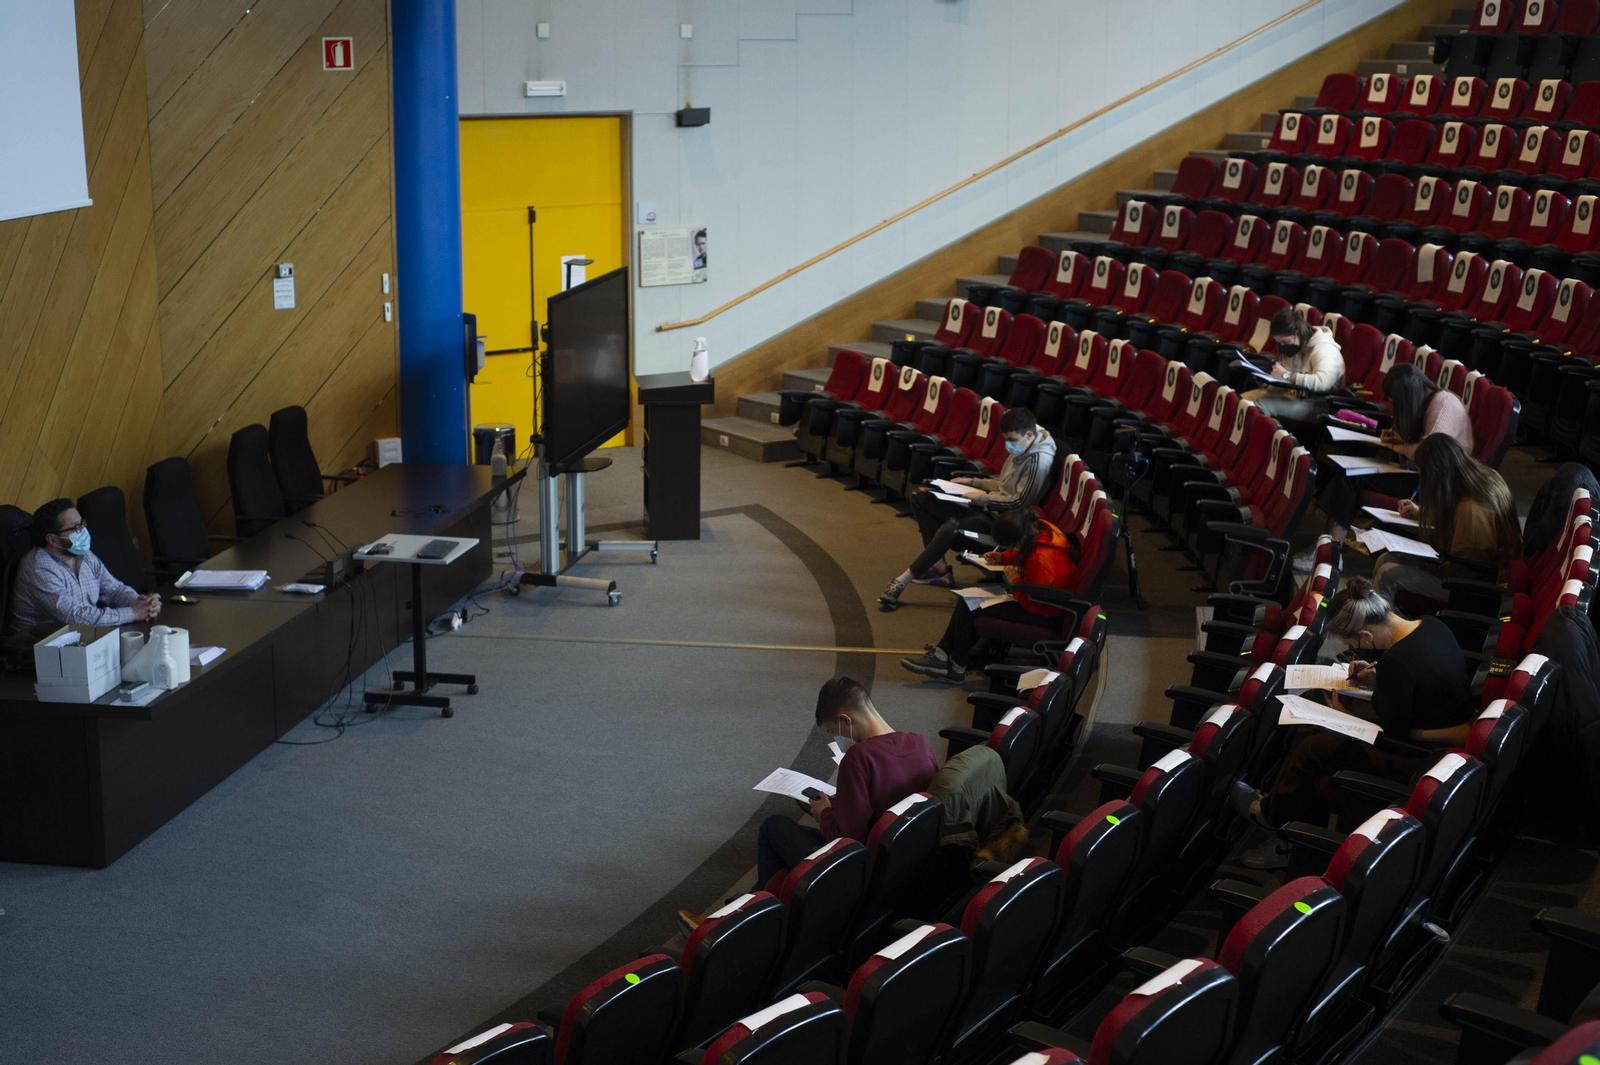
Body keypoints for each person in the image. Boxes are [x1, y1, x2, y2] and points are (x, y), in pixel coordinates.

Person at [1231, 578, 1476, 868]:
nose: (1357, 652)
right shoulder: (1430, 625)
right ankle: (1287, 823)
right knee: (1319, 741)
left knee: (1313, 748)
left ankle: (1272, 818)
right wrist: (1378, 676)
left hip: (1423, 759)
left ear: (1365, 636)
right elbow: (1420, 682)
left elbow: (1392, 735)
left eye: (1353, 645)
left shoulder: (1396, 663)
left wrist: (1347, 719)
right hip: (1445, 723)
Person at [673, 678, 935, 934]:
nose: (837, 738)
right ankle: (749, 908)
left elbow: (847, 839)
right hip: (901, 865)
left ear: (846, 720)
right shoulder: (921, 744)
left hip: (858, 872)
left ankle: (751, 924)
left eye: (834, 732)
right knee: (788, 847)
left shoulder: (859, 758)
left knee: (774, 827)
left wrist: (825, 813)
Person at [878, 407, 1057, 611]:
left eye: (1012, 440)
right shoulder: (1023, 448)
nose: (1008, 445)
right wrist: (974, 482)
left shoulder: (1038, 461)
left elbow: (1018, 502)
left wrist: (981, 498)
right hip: (988, 509)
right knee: (922, 496)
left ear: (1029, 435)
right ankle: (938, 570)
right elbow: (1003, 486)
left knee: (951, 527)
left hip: (1003, 524)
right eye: (1005, 439)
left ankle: (902, 580)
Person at [900, 509, 1077, 683]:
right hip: (1044, 604)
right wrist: (1003, 557)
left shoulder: (1040, 559)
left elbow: (1031, 604)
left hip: (1045, 615)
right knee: (968, 600)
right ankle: (942, 656)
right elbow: (1027, 556)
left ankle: (956, 668)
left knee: (972, 607)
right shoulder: (1042, 535)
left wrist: (1013, 579)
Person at [1313, 363, 1474, 544]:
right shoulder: (1427, 401)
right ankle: (1327, 548)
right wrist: (1398, 438)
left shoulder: (1444, 405)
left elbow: (1429, 454)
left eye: (1395, 401)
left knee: (1350, 478)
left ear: (1406, 398)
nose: (1394, 407)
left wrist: (1399, 447)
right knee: (1347, 472)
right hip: (1422, 475)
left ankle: (1330, 554)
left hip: (1439, 486)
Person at [1372, 434, 1520, 611]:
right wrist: (1421, 513)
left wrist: (1417, 562)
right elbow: (1456, 520)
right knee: (1385, 558)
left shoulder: (1472, 509)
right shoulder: (1480, 478)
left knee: (1387, 575)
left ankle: (1382, 632)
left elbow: (1463, 571)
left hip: (1480, 588)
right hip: (1479, 571)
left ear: (1436, 476)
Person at [7, 499, 159, 635]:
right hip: (38, 649)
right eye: (75, 527)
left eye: (82, 523)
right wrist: (133, 613)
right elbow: (75, 616)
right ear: (53, 539)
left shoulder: (84, 555)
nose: (83, 531)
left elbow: (114, 590)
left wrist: (143, 603)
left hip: (79, 637)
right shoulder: (39, 568)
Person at [1241, 306, 1345, 429]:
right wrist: (1267, 384)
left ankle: (1262, 444)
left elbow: (1322, 382)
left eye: (1284, 342)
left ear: (1298, 332)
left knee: (1261, 404)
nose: (1282, 346)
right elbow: (1286, 382)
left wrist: (1286, 375)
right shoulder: (1294, 347)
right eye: (1279, 343)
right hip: (1296, 397)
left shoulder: (1325, 349)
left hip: (1320, 405)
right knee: (1243, 400)